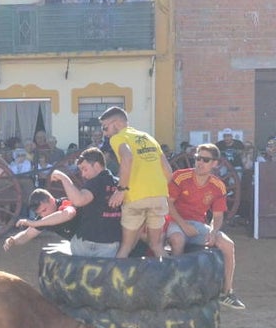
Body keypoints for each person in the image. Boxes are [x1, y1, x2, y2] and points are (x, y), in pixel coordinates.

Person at [166, 143, 245, 309]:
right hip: (175, 221)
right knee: (178, 240)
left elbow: (217, 216)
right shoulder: (180, 176)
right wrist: (183, 225)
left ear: (215, 163)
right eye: (197, 158)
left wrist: (214, 231)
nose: (200, 162)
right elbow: (169, 205)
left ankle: (227, 292)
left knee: (228, 245)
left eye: (205, 160)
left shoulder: (217, 185)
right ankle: (175, 287)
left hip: (199, 224)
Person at [99, 106, 172, 259]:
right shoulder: (149, 138)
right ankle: (174, 280)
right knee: (157, 246)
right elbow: (168, 172)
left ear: (116, 124)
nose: (104, 133)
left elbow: (127, 157)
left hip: (135, 197)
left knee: (126, 247)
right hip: (159, 197)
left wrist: (121, 189)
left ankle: (115, 281)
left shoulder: (118, 138)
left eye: (105, 128)